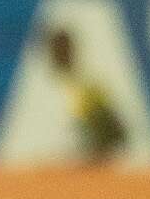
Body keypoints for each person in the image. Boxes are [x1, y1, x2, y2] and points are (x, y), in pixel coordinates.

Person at [43, 26, 128, 166]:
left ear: (74, 50)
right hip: (38, 174)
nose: (61, 53)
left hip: (79, 174)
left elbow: (117, 135)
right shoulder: (43, 88)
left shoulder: (89, 88)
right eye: (57, 48)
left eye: (65, 48)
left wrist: (90, 161)